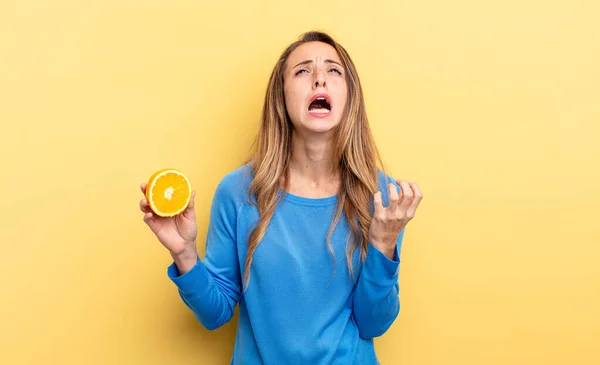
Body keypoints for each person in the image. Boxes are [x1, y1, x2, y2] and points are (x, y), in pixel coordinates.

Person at [139, 30, 423, 365]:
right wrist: (184, 254)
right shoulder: (237, 192)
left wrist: (383, 244)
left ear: (350, 95)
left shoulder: (381, 197)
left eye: (334, 70)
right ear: (281, 96)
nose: (319, 79)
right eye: (303, 70)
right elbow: (215, 314)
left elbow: (374, 321)